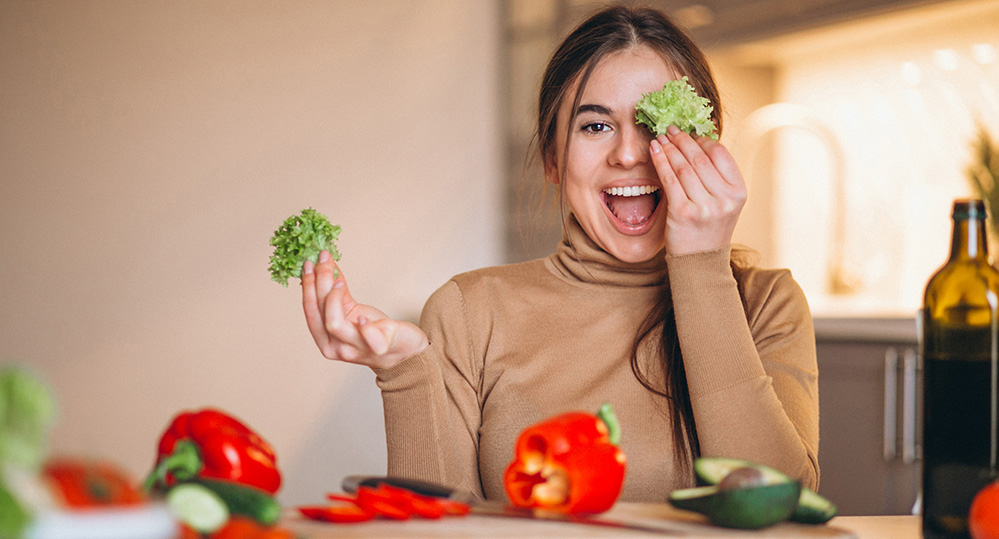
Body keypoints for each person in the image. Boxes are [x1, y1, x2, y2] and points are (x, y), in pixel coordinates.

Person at [300, 5, 818, 503]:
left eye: (657, 124)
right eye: (595, 125)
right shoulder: (468, 311)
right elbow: (442, 530)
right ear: (552, 158)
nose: (630, 154)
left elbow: (778, 507)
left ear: (707, 148)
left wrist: (702, 264)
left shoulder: (766, 303)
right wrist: (403, 369)